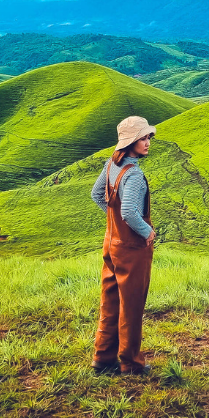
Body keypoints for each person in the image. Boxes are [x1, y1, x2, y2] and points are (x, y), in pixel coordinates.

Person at [90, 115, 157, 375]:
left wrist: (113, 220)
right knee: (131, 306)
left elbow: (96, 194)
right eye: (142, 138)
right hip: (130, 250)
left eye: (148, 137)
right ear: (130, 143)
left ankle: (103, 358)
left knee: (110, 302)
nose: (147, 142)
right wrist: (147, 232)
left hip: (111, 244)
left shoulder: (111, 165)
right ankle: (131, 363)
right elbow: (129, 212)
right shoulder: (135, 175)